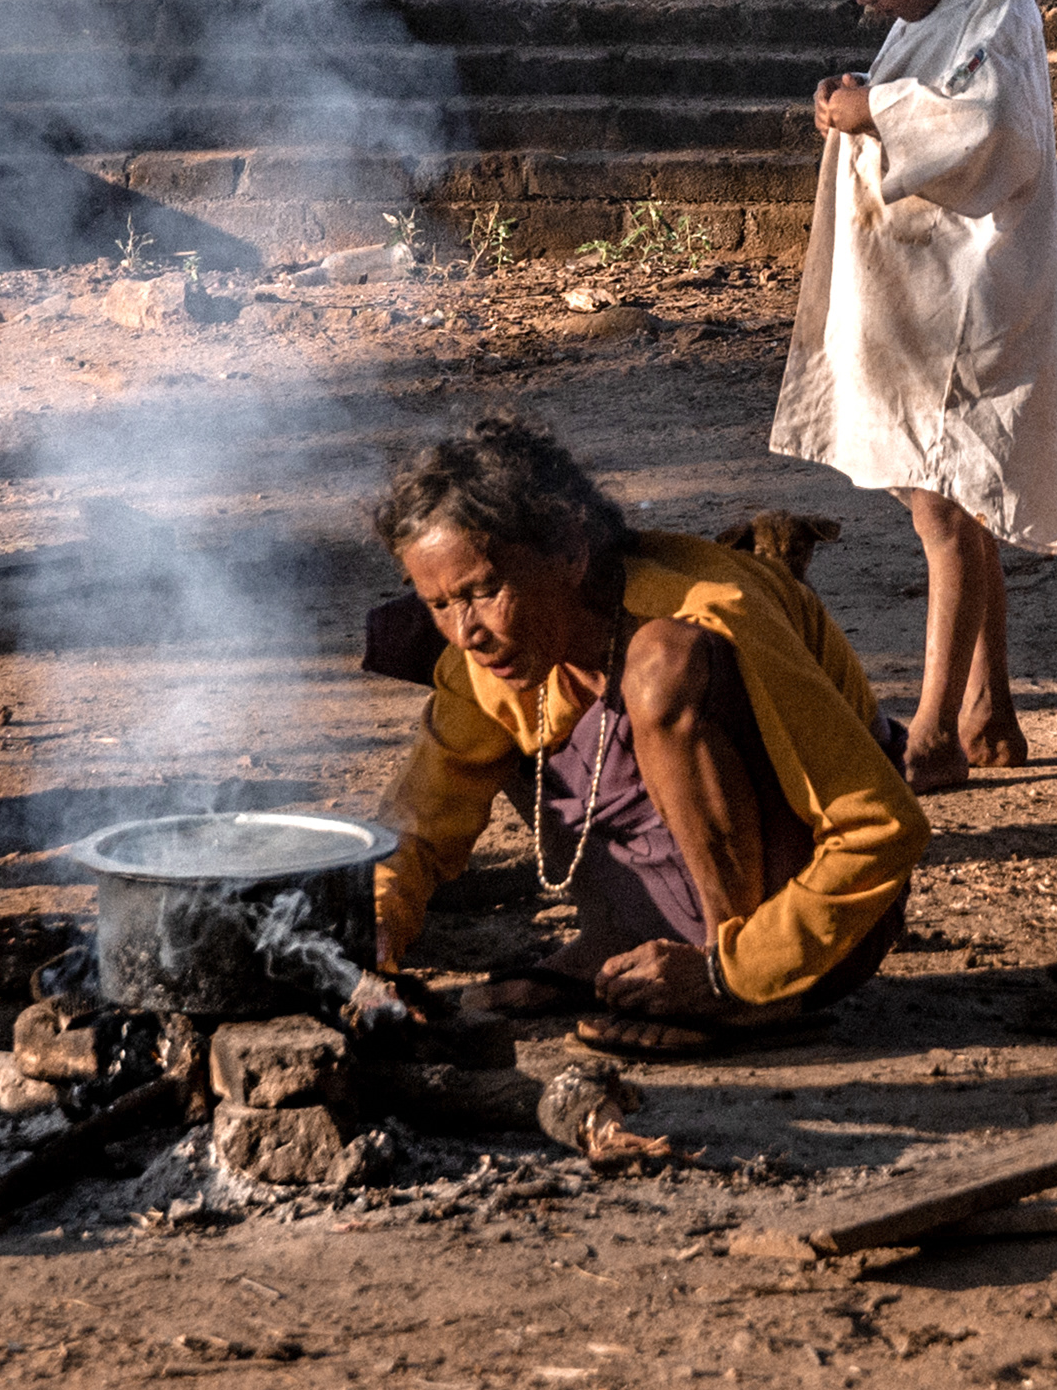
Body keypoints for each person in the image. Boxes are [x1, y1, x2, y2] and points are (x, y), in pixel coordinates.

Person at [369, 414, 924, 1053]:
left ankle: (731, 991)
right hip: (662, 921)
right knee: (503, 712)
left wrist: (734, 972)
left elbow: (882, 827)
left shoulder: (714, 609)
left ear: (571, 553)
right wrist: (378, 936)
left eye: (486, 590)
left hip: (809, 942)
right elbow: (418, 827)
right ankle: (615, 943)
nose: (466, 629)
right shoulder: (485, 661)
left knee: (661, 668)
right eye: (440, 604)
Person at [767, 0, 1057, 794]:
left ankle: (933, 730)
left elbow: (982, 127)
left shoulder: (1000, 12)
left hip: (963, 324)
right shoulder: (933, 12)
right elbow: (918, 100)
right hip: (919, 317)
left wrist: (878, 113)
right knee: (958, 511)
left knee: (946, 519)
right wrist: (857, 99)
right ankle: (990, 704)